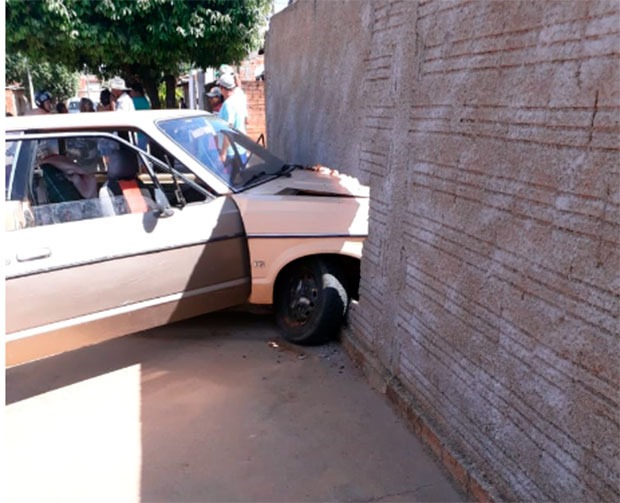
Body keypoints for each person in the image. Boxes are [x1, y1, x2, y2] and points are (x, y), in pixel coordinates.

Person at [217, 72, 248, 170]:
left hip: (231, 152)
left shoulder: (228, 105)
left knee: (230, 183)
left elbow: (228, 130)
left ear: (221, 88)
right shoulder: (240, 98)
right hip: (241, 148)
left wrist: (223, 153)